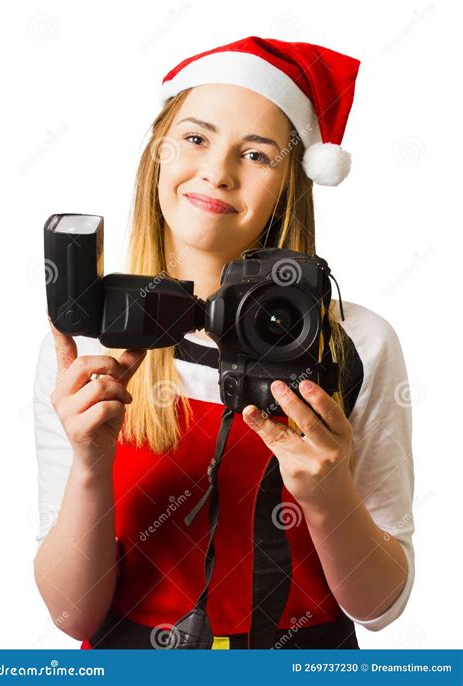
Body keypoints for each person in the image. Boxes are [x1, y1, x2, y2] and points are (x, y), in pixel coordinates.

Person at [32, 36, 415, 650]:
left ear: (291, 182)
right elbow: (72, 616)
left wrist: (325, 491)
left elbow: (380, 608)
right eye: (195, 137)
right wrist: (88, 465)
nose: (218, 170)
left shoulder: (355, 345)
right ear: (158, 153)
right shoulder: (96, 347)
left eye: (258, 154)